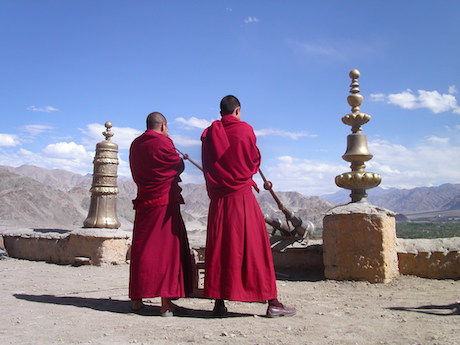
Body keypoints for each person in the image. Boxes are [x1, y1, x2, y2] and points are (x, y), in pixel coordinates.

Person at [201, 95, 296, 318]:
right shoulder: (245, 130)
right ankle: (272, 302)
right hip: (241, 198)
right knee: (256, 248)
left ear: (221, 112)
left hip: (219, 201)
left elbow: (209, 165)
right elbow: (253, 160)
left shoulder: (208, 135)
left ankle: (219, 302)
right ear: (237, 111)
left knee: (220, 249)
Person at [129, 111, 193, 316]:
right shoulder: (164, 143)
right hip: (164, 205)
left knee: (143, 250)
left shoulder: (135, 144)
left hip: (144, 203)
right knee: (166, 252)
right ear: (163, 126)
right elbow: (177, 166)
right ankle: (166, 303)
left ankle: (137, 300)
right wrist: (172, 148)